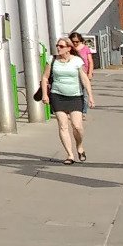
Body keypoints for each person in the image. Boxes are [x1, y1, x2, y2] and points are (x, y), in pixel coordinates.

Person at [40, 36, 92, 165]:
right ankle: (70, 154)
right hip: (57, 96)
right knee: (63, 126)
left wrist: (90, 96)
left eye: (61, 46)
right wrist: (45, 95)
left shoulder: (77, 61)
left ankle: (79, 146)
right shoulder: (52, 60)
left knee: (77, 126)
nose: (58, 48)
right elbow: (45, 78)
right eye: (57, 45)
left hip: (75, 96)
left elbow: (84, 79)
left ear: (69, 48)